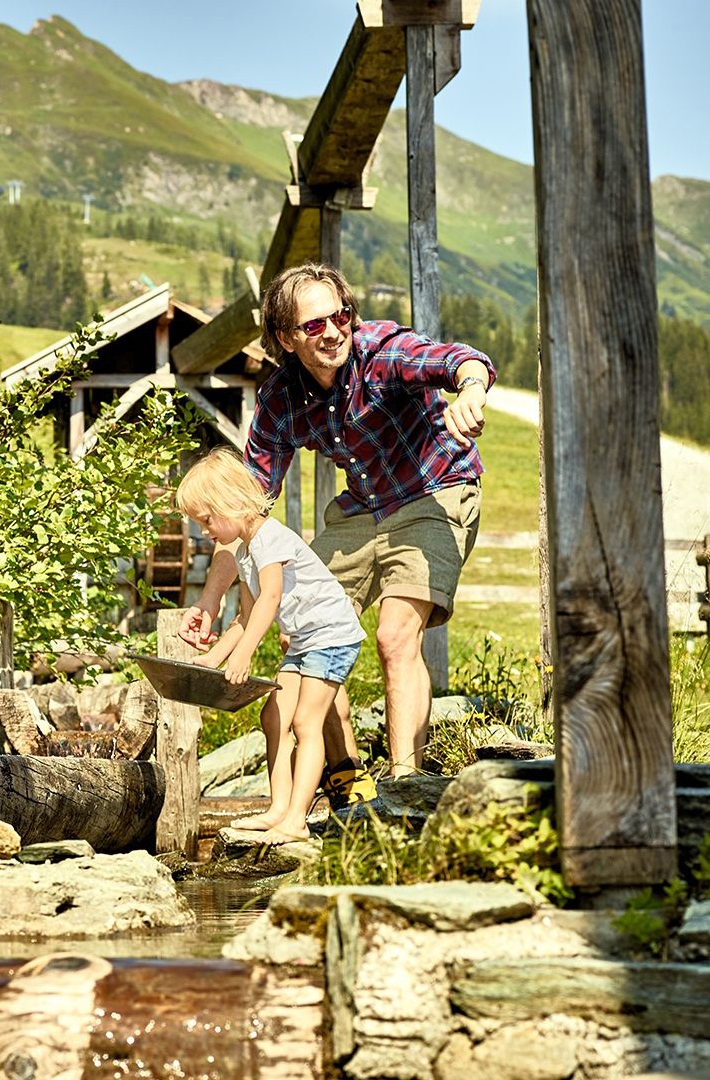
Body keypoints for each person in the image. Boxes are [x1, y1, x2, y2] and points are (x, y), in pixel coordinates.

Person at [183, 263, 493, 778]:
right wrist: (212, 599)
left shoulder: (379, 351)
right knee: (301, 628)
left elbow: (459, 362)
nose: (332, 331)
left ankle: (404, 784)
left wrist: (473, 392)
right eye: (313, 325)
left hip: (435, 490)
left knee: (395, 635)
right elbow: (240, 506)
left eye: (340, 315)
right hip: (364, 509)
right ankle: (347, 775)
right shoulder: (280, 399)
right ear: (285, 338)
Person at [176, 449, 367, 842]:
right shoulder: (246, 552)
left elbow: (271, 599)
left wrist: (245, 654)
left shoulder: (270, 538)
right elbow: (245, 616)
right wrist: (214, 657)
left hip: (331, 635)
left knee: (306, 722)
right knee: (273, 719)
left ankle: (296, 820)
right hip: (305, 639)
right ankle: (278, 808)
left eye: (207, 520)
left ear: (230, 502)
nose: (204, 533)